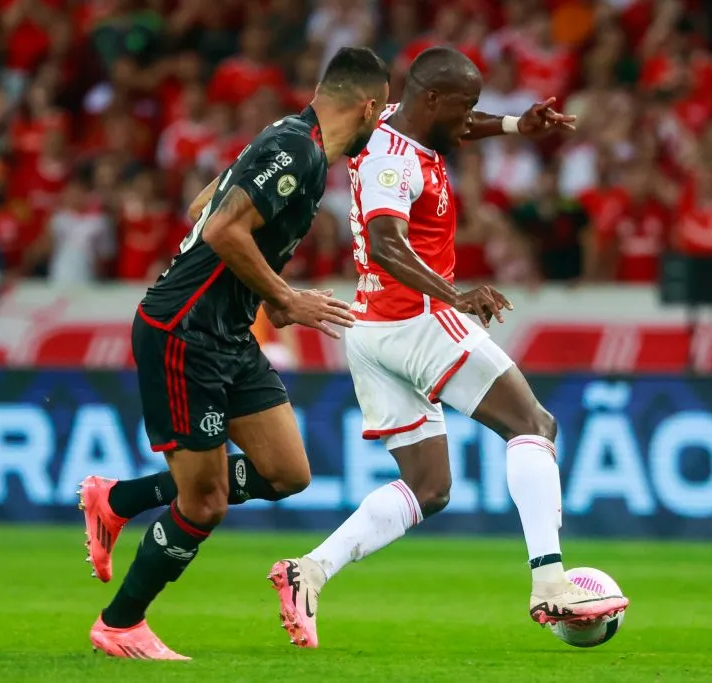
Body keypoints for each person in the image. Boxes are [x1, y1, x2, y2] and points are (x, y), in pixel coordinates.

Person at [268, 46, 628, 648]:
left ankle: (310, 571)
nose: (471, 118)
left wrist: (515, 126)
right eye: (464, 106)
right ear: (430, 100)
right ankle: (550, 583)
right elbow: (385, 244)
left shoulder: (387, 124)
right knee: (533, 424)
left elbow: (459, 132)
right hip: (417, 318)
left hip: (372, 328)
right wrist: (452, 294)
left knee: (428, 488)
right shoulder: (392, 160)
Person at [77, 46, 390, 660]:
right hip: (183, 330)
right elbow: (220, 228)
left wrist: (267, 299)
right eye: (379, 116)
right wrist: (285, 297)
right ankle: (119, 624)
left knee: (286, 472)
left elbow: (204, 208)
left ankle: (119, 499)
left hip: (228, 333)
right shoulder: (296, 149)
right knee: (205, 501)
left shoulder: (289, 141)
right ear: (369, 106)